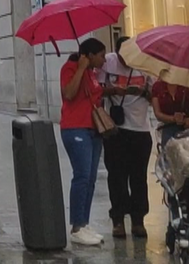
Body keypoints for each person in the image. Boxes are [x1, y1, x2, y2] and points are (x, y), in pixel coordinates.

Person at [99, 37, 154, 239]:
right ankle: (118, 219)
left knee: (139, 177)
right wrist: (114, 90)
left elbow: (153, 94)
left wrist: (143, 91)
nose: (127, 60)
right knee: (117, 176)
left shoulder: (145, 64)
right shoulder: (107, 63)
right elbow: (97, 91)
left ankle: (138, 220)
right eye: (123, 56)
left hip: (140, 129)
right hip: (116, 130)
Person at [60, 38, 108, 247]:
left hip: (93, 128)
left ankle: (84, 221)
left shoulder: (93, 73)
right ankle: (76, 227)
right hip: (75, 127)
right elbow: (69, 93)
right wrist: (80, 68)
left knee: (90, 178)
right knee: (81, 176)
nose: (104, 60)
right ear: (89, 55)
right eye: (101, 55)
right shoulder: (69, 68)